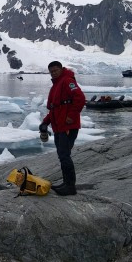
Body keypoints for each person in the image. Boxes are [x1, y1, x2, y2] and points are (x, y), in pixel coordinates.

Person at [39, 61, 87, 196]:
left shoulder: (67, 81)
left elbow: (80, 98)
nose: (53, 73)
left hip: (67, 126)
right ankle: (66, 183)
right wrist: (45, 123)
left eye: (55, 70)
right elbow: (54, 108)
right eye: (51, 71)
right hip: (59, 127)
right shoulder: (56, 85)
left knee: (65, 155)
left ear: (61, 69)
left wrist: (71, 117)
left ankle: (70, 187)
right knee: (62, 155)